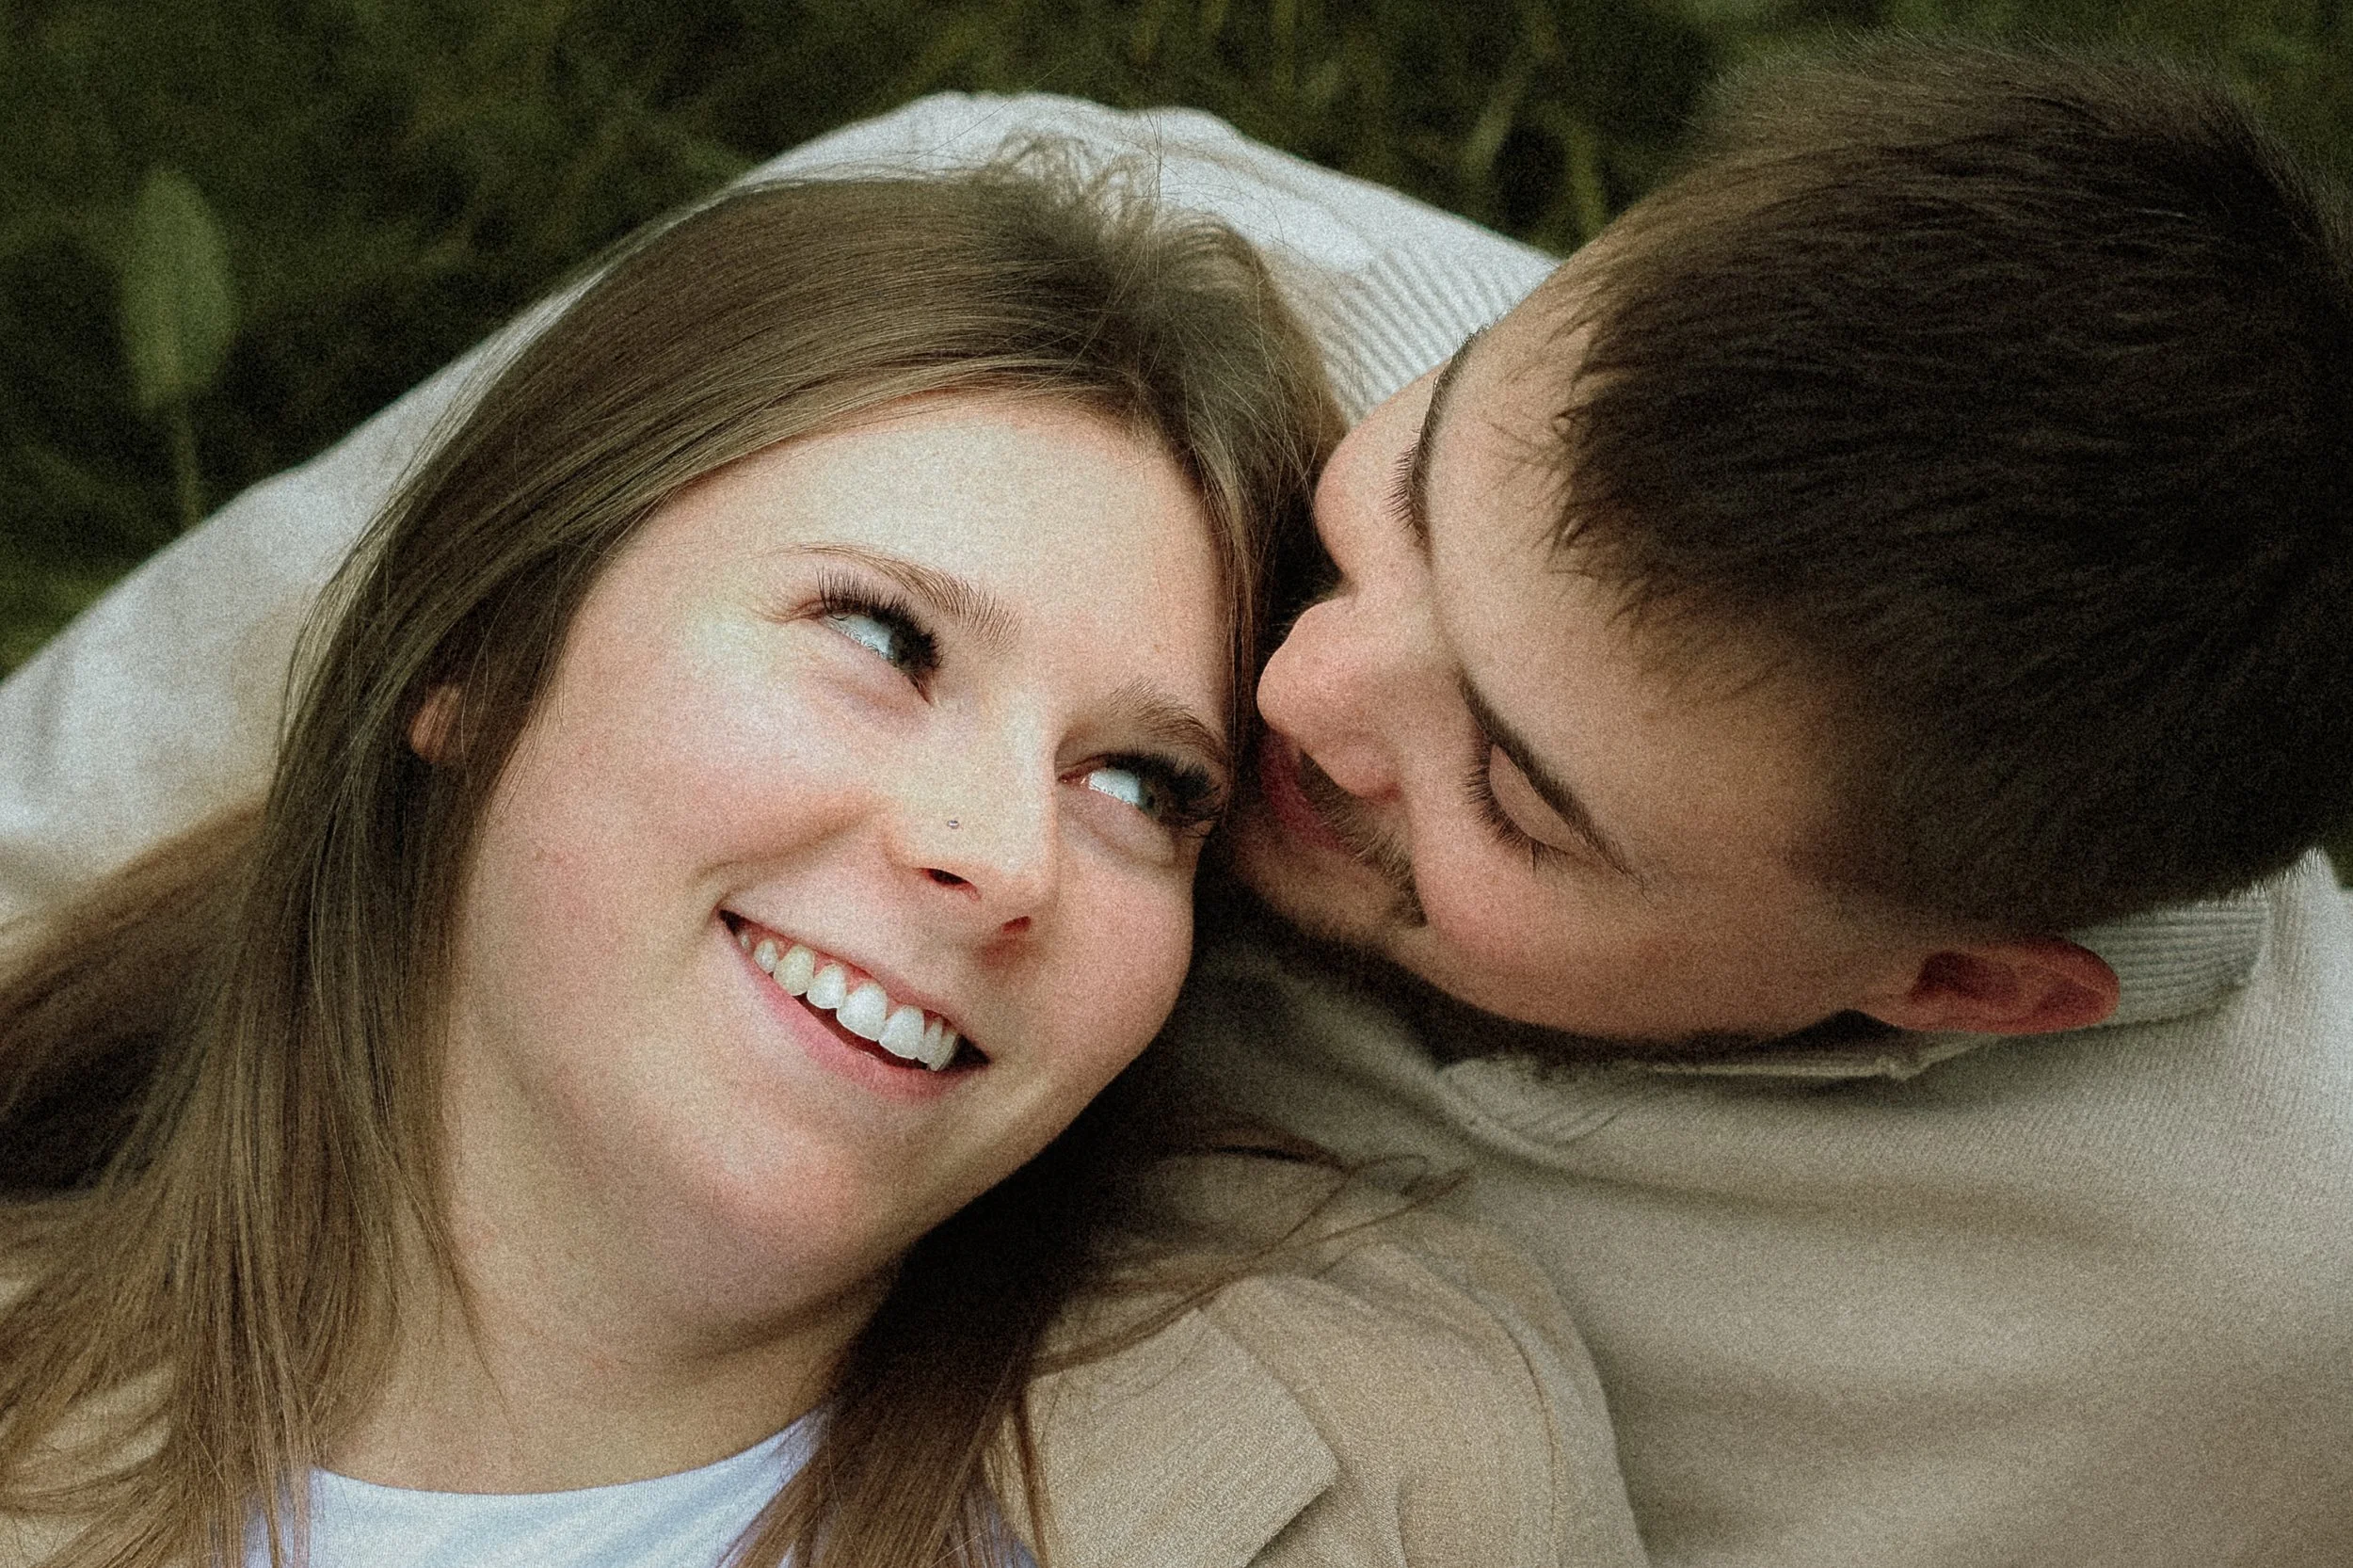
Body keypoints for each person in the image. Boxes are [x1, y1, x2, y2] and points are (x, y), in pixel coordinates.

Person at [5, 32, 2351, 1568]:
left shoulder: (2238, 1317)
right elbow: (129, 789)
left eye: (1514, 800)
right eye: (1401, 503)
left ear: (1961, 983)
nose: (1298, 680)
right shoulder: (1038, 306)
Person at [0, 167, 1647, 1568]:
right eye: (884, 635)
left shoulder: (1375, 1464)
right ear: (483, 657)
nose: (1004, 858)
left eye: (1142, 783)